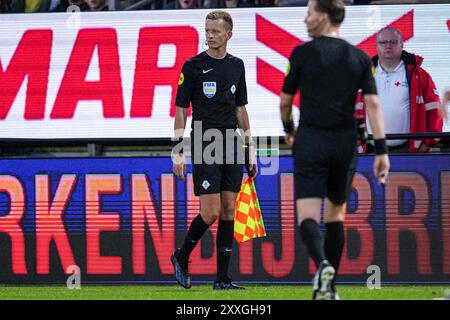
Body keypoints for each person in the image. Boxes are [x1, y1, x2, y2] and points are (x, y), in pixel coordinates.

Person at [279, 0, 389, 300]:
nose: (305, 19)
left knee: (307, 217)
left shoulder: (302, 53)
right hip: (345, 142)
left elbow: (285, 102)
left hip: (311, 139)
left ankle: (322, 265)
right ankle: (329, 288)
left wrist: (289, 131)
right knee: (336, 216)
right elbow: (373, 105)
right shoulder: (360, 57)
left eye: (310, 13)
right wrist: (382, 152)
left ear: (324, 18)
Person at [171, 10, 257, 290]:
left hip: (231, 141)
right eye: (207, 30)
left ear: (228, 34)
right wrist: (179, 149)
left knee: (230, 209)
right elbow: (181, 110)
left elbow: (240, 108)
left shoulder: (237, 65)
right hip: (205, 141)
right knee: (210, 212)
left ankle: (222, 280)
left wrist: (250, 146)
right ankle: (181, 256)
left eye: (215, 31)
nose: (209, 35)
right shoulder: (193, 66)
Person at [364, 27, 443, 153]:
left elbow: (434, 110)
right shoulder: (363, 74)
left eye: (393, 42)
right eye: (383, 42)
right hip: (370, 151)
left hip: (406, 150)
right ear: (377, 45)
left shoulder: (419, 76)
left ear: (402, 44)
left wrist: (428, 142)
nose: (388, 46)